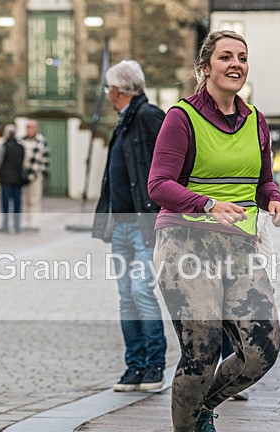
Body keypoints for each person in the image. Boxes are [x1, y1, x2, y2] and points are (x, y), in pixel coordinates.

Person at [148, 29, 280, 432]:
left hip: (240, 247)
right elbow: (158, 185)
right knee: (202, 348)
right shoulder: (182, 117)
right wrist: (207, 204)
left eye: (242, 57)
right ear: (205, 66)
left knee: (263, 348)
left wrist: (275, 199)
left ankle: (204, 408)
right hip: (185, 244)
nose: (235, 64)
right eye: (226, 57)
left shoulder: (256, 120)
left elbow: (262, 181)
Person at [91, 60, 168, 394]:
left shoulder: (149, 116)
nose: (108, 93)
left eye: (109, 87)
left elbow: (171, 163)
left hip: (144, 225)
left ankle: (154, 364)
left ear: (118, 90)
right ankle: (134, 366)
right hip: (121, 226)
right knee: (126, 297)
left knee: (140, 290)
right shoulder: (123, 121)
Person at [0, 124, 26, 234]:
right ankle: (17, 225)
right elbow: (23, 162)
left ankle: (5, 225)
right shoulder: (20, 147)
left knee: (5, 204)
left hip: (5, 179)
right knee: (17, 204)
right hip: (18, 179)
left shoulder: (4, 146)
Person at [20, 120, 51, 233]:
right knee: (24, 200)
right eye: (28, 127)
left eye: (32, 127)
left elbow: (45, 159)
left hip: (36, 175)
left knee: (34, 200)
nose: (30, 130)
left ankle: (34, 224)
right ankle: (25, 223)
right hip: (23, 176)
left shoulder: (41, 142)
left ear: (36, 128)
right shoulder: (21, 141)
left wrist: (42, 173)